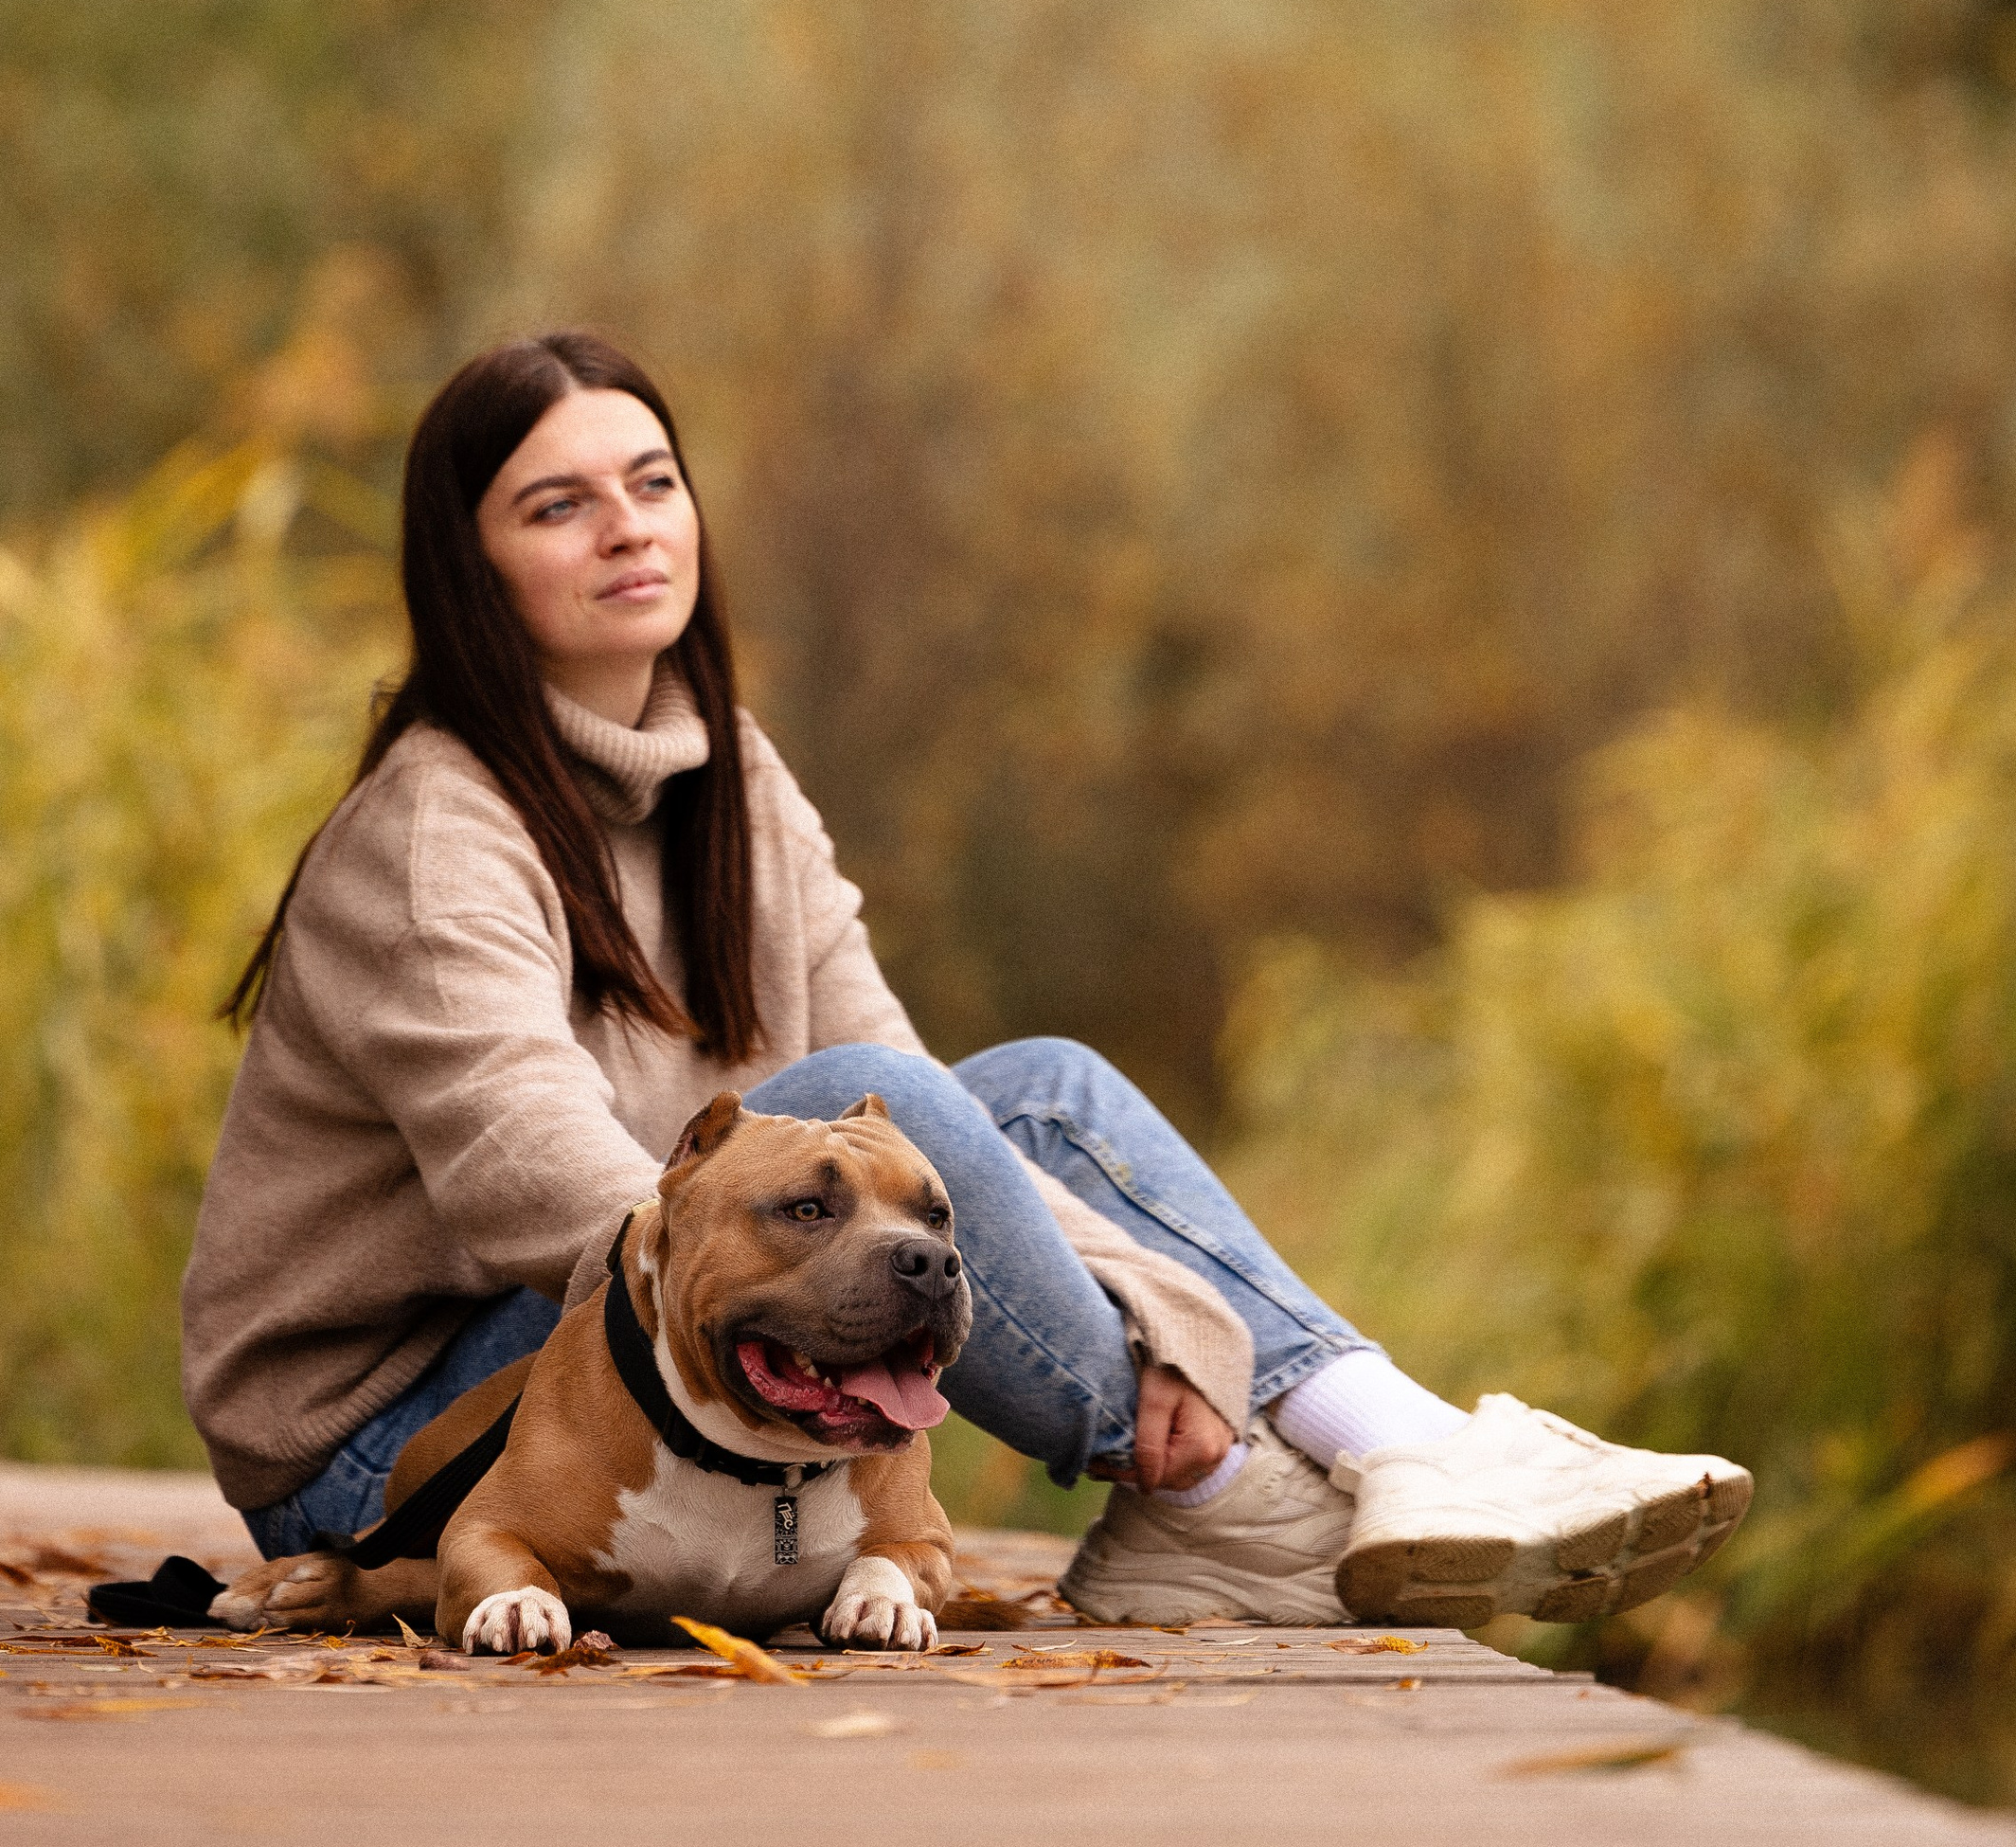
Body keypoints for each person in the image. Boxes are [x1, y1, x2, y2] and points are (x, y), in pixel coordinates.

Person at [182, 332, 1749, 1631]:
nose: (629, 526)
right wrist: (1135, 1365)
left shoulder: (736, 785)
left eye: (655, 482)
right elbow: (525, 1163)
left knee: (1030, 1090)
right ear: (470, 569)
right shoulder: (432, 827)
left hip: (640, 1359)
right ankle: (1218, 1486)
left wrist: (1150, 1321)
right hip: (409, 1444)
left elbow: (933, 1127)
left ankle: (1382, 1436)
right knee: (837, 1118)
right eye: (559, 505)